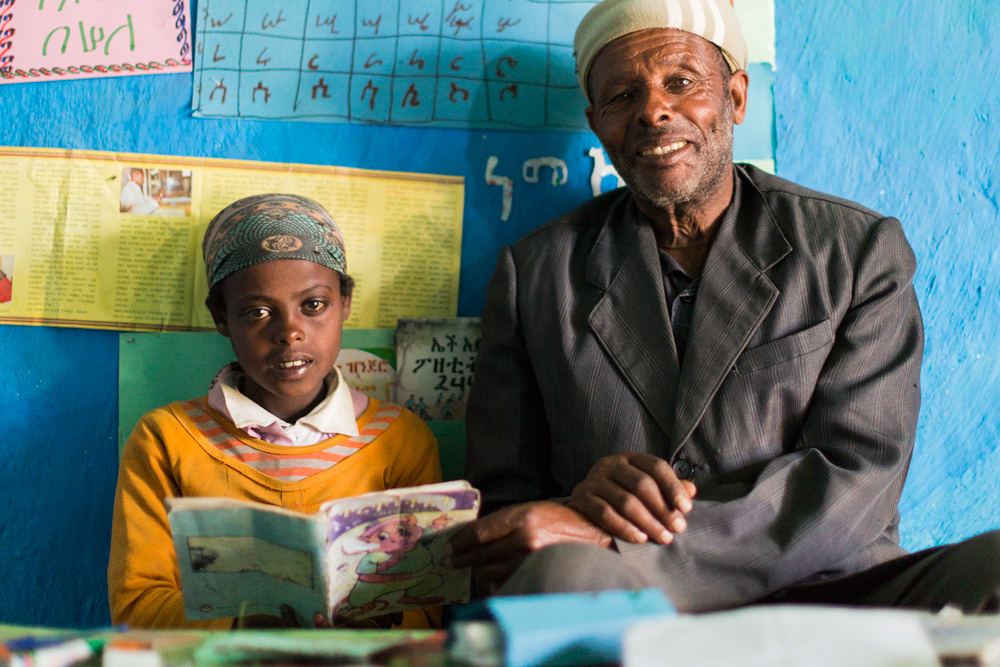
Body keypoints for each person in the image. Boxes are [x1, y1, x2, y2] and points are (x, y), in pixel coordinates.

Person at [451, 0, 1000, 613]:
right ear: (596, 123)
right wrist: (580, 507)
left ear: (736, 97)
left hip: (831, 590)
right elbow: (504, 513)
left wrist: (630, 543)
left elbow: (858, 473)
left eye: (681, 82)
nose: (653, 110)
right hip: (626, 594)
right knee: (559, 580)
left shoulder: (853, 250)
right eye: (622, 96)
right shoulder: (536, 275)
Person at [108, 194, 442, 629]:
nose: (290, 332)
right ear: (221, 317)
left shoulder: (399, 439)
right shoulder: (166, 440)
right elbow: (139, 607)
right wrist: (248, 622)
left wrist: (370, 627)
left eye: (314, 305)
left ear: (345, 301)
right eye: (258, 311)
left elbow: (426, 606)